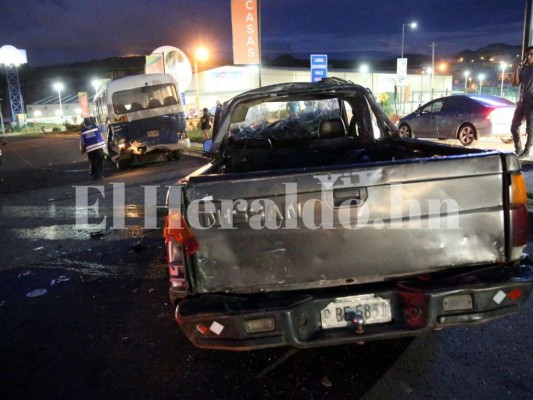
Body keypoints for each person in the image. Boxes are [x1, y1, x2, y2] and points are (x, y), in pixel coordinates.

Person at [511, 46, 533, 159]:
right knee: (514, 126)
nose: (529, 56)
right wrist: (517, 69)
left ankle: (527, 151)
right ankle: (518, 149)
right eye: (527, 54)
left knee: (530, 129)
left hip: (531, 103)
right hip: (522, 102)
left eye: (531, 54)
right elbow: (515, 84)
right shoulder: (524, 68)